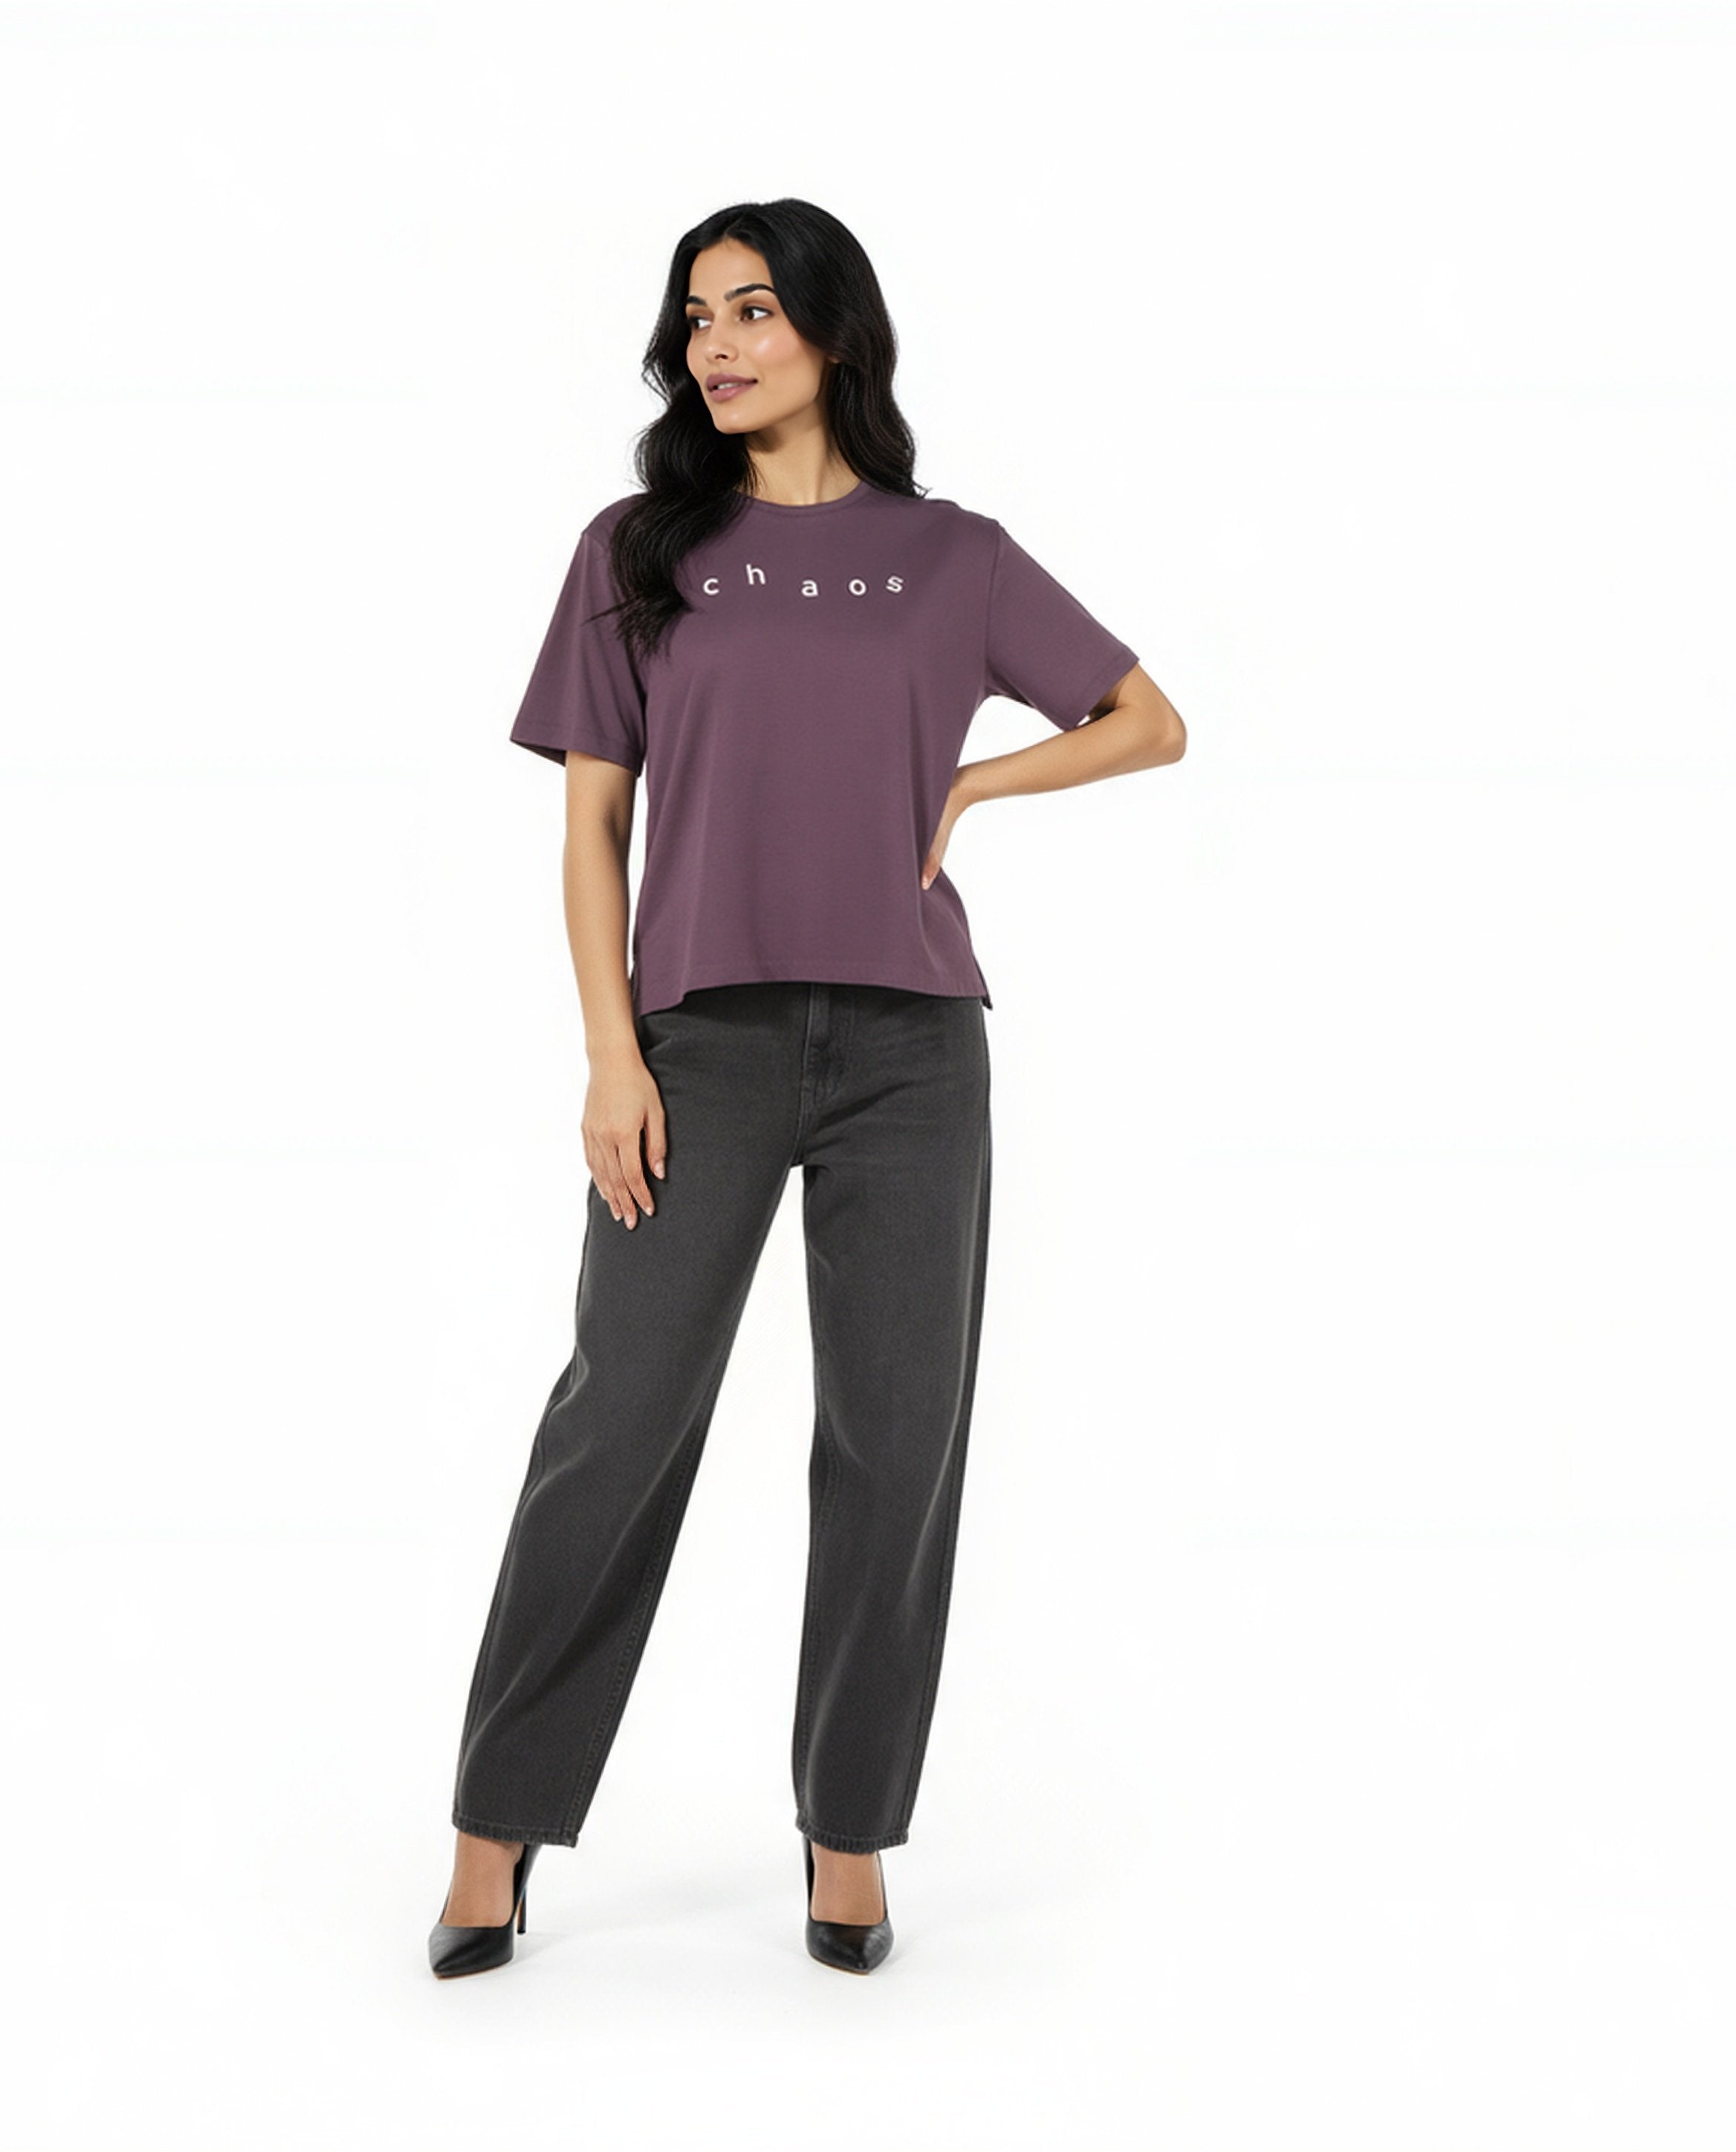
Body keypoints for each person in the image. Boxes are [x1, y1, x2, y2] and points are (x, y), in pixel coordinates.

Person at [430, 198, 1185, 1980]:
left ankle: (848, 1838)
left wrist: (975, 786)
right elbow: (592, 825)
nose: (716, 343)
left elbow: (1146, 718)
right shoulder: (637, 548)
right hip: (697, 1044)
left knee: (892, 1440)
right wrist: (609, 1051)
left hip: (912, 1049)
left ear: (834, 329)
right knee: (616, 1421)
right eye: (695, 316)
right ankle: (491, 1833)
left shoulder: (952, 557)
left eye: (753, 309)